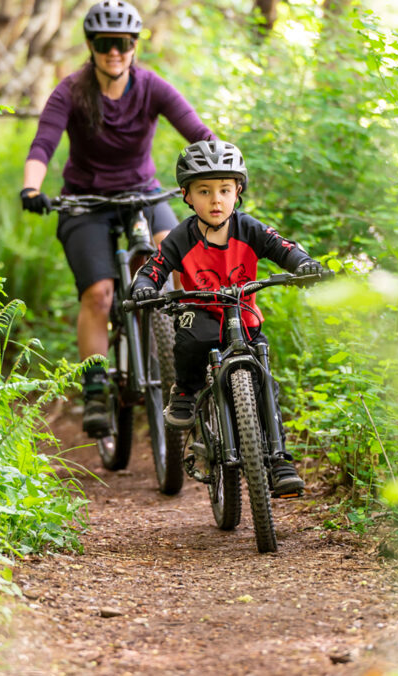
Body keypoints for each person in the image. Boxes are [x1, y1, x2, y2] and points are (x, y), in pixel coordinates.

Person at [20, 0, 214, 438]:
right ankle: (94, 388)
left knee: (182, 261)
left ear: (134, 46)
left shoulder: (151, 87)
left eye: (123, 43)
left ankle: (191, 358)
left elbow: (199, 133)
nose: (115, 53)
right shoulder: (70, 91)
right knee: (100, 294)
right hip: (84, 202)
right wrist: (32, 188)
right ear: (91, 46)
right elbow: (43, 146)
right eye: (106, 44)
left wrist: (223, 172)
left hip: (143, 194)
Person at [130, 140, 324, 498]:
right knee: (190, 341)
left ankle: (278, 459)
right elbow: (154, 269)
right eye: (204, 191)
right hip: (200, 313)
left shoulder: (249, 229)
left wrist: (303, 264)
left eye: (224, 190)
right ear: (187, 196)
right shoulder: (180, 237)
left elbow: (282, 247)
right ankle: (186, 392)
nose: (215, 200)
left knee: (266, 379)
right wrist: (144, 286)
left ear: (238, 192)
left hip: (243, 317)